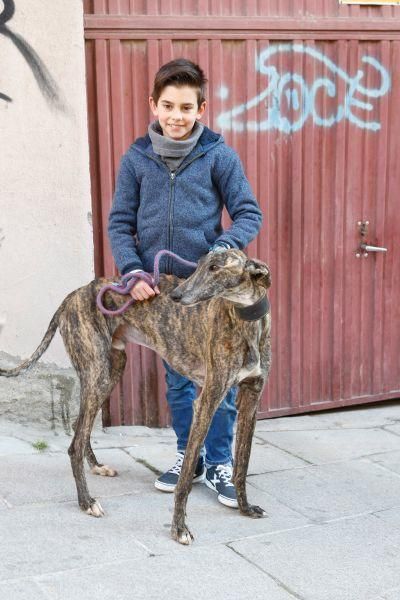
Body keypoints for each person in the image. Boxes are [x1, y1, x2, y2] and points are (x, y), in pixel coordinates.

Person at [108, 58, 262, 508]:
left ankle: (218, 462)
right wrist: (133, 271)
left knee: (220, 381)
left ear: (202, 109)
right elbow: (120, 222)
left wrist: (222, 249)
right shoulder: (136, 159)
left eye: (186, 107)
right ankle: (187, 456)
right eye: (168, 105)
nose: (176, 116)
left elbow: (249, 212)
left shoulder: (219, 155)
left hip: (209, 295)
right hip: (163, 294)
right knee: (177, 380)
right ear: (153, 104)